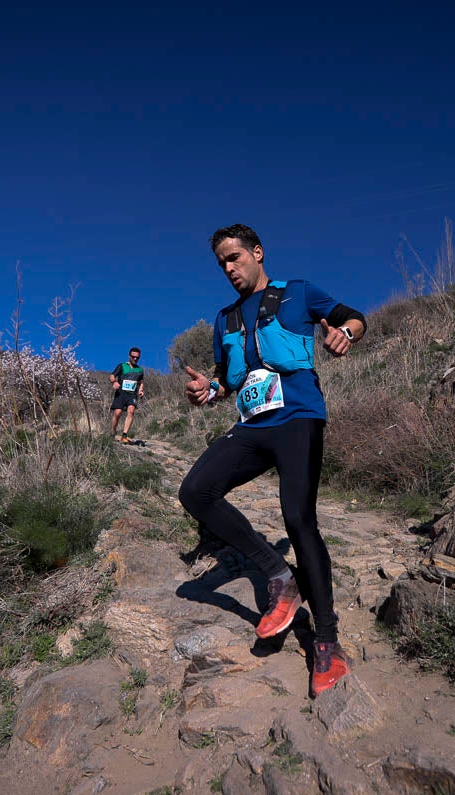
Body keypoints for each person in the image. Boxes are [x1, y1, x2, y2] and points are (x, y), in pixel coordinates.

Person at [179, 223, 366, 698]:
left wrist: (344, 333)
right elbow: (228, 379)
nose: (228, 268)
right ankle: (280, 576)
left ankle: (326, 640)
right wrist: (211, 390)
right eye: (221, 262)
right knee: (195, 491)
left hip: (298, 417)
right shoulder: (223, 319)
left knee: (298, 519)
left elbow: (355, 316)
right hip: (251, 426)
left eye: (235, 257)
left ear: (257, 253)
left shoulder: (298, 292)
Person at [110, 347, 145, 443]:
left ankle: (124, 436)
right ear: (129, 356)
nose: (135, 359)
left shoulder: (140, 370)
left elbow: (141, 382)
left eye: (137, 357)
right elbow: (112, 375)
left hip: (132, 394)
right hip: (121, 393)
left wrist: (141, 390)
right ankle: (112, 433)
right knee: (117, 413)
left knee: (131, 411)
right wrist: (114, 382)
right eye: (133, 357)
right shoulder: (122, 366)